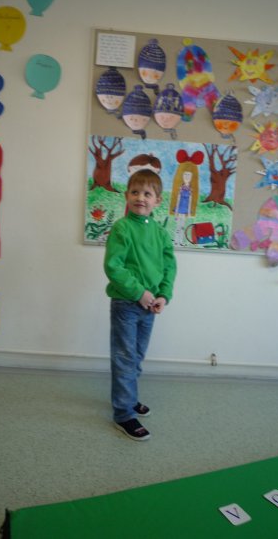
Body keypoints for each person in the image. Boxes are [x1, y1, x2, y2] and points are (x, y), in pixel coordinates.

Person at [104, 169, 177, 441]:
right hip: (126, 303)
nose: (140, 198)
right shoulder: (122, 228)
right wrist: (139, 293)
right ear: (127, 196)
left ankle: (129, 398)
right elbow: (114, 266)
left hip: (150, 306)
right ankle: (123, 414)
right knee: (124, 358)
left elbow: (169, 267)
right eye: (135, 192)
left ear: (158, 200)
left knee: (136, 356)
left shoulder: (160, 233)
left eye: (147, 193)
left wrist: (163, 295)